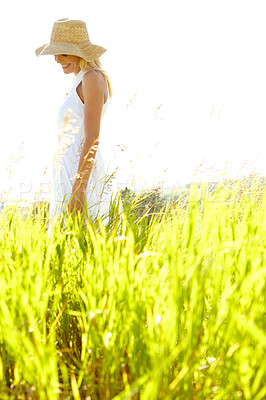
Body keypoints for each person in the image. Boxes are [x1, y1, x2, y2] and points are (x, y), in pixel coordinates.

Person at [36, 18, 115, 224]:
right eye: (55, 53)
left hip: (79, 176)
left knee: (84, 240)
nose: (57, 59)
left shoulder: (92, 78)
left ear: (80, 51)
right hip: (69, 174)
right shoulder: (79, 81)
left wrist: (79, 188)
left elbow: (92, 136)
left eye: (63, 53)